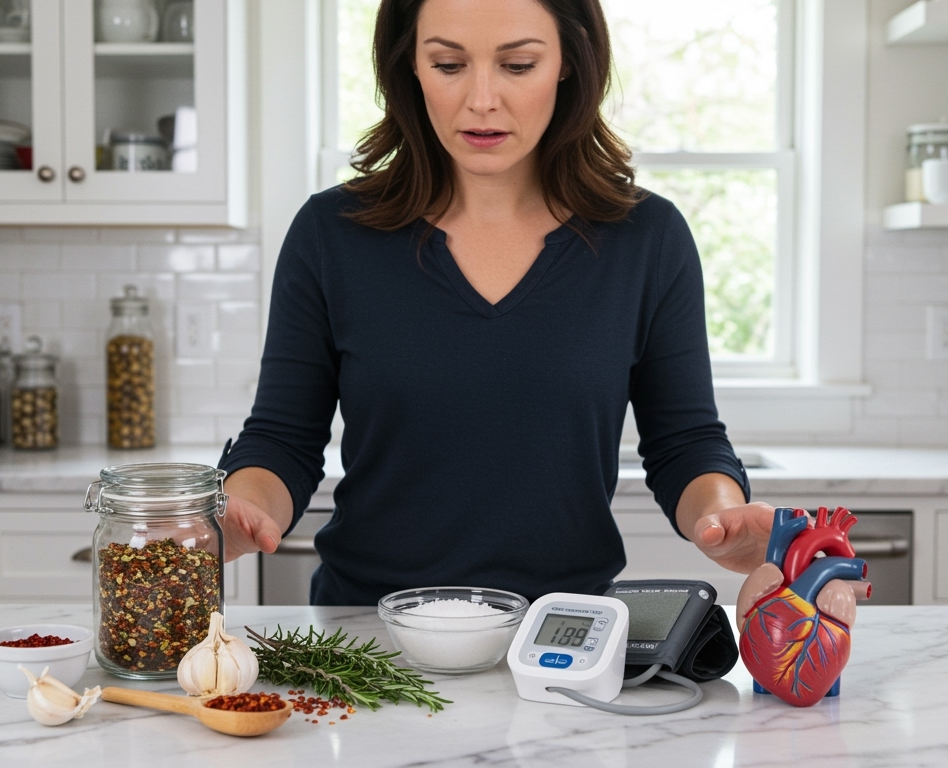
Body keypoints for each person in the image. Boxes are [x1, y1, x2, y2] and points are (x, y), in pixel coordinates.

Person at [217, 0, 774, 606]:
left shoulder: (648, 238)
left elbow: (684, 442)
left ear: (569, 61)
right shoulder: (332, 233)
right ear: (410, 66)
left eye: (517, 65)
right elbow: (282, 438)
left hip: (560, 636)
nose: (482, 100)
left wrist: (722, 518)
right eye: (449, 64)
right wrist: (241, 508)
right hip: (369, 636)